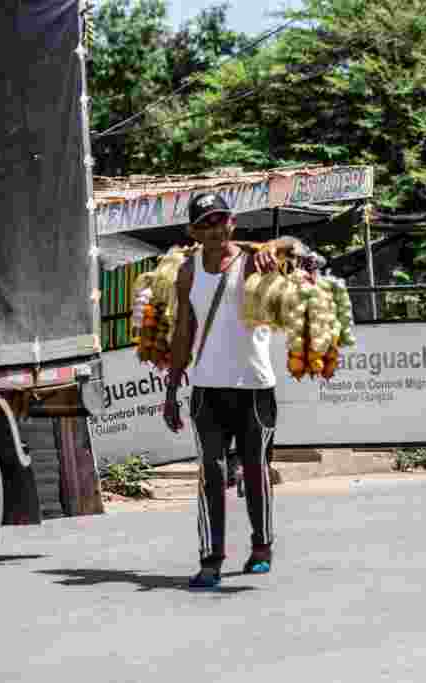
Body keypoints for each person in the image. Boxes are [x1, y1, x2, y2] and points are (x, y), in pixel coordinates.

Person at [163, 192, 281, 590]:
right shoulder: (188, 272)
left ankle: (261, 546)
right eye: (206, 223)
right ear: (193, 231)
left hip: (253, 386)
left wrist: (270, 250)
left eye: (221, 220)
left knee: (253, 468)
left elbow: (298, 254)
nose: (215, 229)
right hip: (206, 389)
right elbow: (184, 329)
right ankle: (210, 559)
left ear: (233, 221)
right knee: (210, 471)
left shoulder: (256, 259)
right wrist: (172, 383)